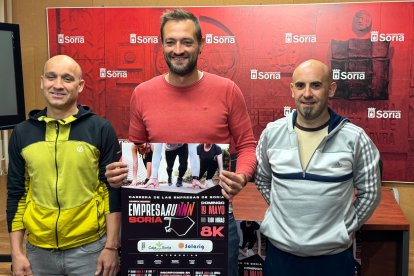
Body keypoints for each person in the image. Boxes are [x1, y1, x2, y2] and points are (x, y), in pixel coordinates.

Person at [105, 9, 256, 276]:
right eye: (170, 42)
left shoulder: (228, 90)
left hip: (215, 216)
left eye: (186, 42)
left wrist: (242, 176)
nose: (178, 49)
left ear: (200, 45)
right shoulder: (142, 93)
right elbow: (139, 153)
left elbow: (247, 146)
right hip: (156, 218)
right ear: (161, 45)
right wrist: (122, 171)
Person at [256, 59, 381, 276]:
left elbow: (371, 193)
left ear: (331, 89)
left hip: (333, 260)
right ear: (292, 90)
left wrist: (343, 228)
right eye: (300, 85)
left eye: (316, 85)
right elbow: (262, 180)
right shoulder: (271, 134)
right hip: (280, 259)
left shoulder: (355, 138)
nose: (307, 93)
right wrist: (283, 212)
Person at [7, 55, 121, 276]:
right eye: (51, 77)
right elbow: (16, 195)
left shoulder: (100, 129)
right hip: (39, 252)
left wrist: (111, 247)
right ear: (42, 82)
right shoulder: (22, 132)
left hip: (91, 250)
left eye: (67, 79)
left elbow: (111, 192)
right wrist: (16, 252)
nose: (57, 85)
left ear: (79, 86)